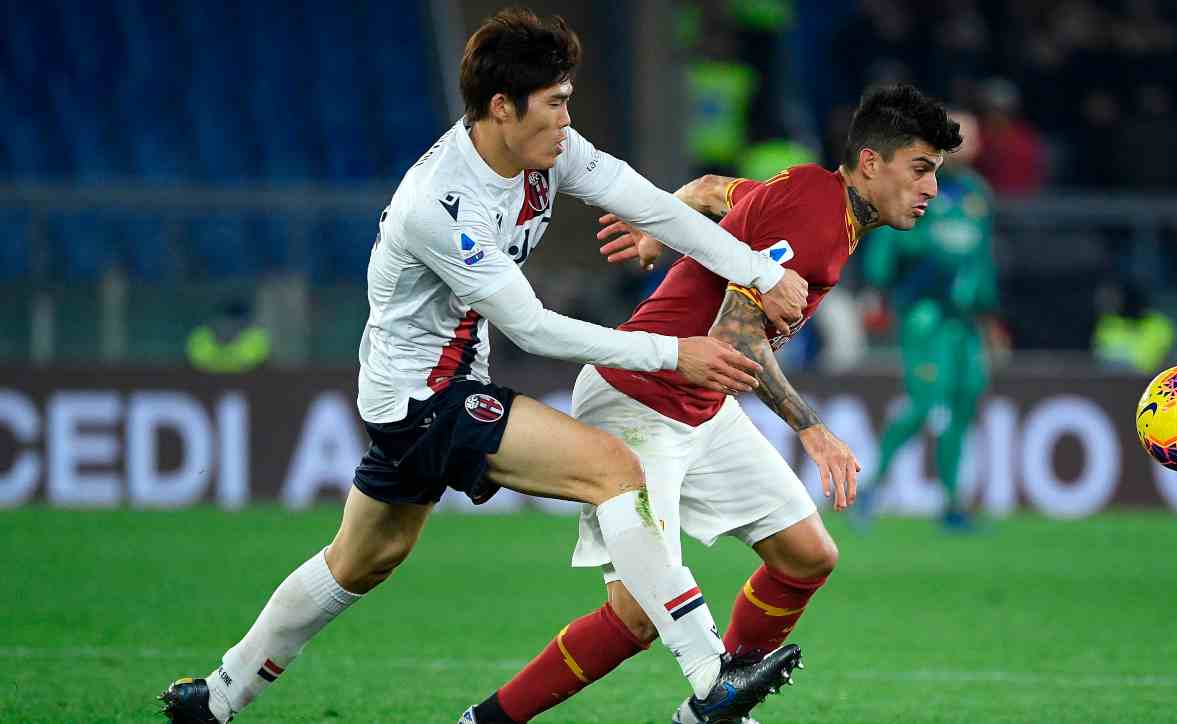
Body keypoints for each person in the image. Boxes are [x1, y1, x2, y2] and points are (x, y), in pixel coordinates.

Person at [158, 9, 811, 723]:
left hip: (422, 391)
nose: (568, 117)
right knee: (614, 470)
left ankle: (219, 696)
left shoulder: (548, 150)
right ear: (503, 107)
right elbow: (532, 327)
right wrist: (674, 352)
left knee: (361, 561)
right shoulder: (443, 206)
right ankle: (708, 671)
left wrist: (753, 267)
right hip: (423, 399)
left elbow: (651, 206)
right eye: (555, 102)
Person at [462, 84, 961, 724]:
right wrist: (813, 429)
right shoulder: (814, 216)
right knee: (635, 619)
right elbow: (734, 337)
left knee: (807, 555)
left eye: (936, 174)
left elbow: (710, 189)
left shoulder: (822, 202)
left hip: (702, 405)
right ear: (871, 162)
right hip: (636, 403)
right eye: (920, 169)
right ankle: (486, 722)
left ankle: (713, 711)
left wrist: (657, 225)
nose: (931, 190)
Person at [853, 110, 1000, 531]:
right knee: (922, 403)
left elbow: (982, 259)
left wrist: (991, 315)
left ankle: (953, 503)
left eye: (970, 138)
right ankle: (872, 489)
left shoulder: (977, 194)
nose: (964, 146)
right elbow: (888, 238)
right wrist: (876, 291)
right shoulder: (915, 185)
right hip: (925, 313)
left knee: (964, 402)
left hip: (965, 318)